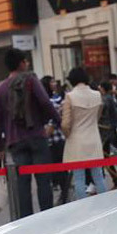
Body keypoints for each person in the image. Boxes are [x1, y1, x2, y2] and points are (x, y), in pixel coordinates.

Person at [0, 47, 61, 216]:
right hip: (37, 136)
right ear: (22, 63)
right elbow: (45, 103)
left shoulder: (0, 89)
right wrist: (58, 121)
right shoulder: (31, 81)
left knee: (22, 183)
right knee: (44, 181)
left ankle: (26, 220)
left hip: (15, 142)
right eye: (26, 61)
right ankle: (47, 216)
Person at [62, 67, 108, 200]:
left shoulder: (70, 96)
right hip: (94, 138)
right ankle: (106, 204)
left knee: (79, 179)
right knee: (98, 177)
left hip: (76, 141)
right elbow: (97, 117)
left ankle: (82, 208)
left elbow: (66, 124)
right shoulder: (97, 95)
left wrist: (67, 134)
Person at [41, 75, 69, 204]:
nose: (54, 83)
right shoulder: (48, 100)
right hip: (54, 138)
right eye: (51, 81)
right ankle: (63, 194)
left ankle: (64, 195)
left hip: (56, 137)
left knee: (60, 169)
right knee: (57, 169)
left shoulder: (56, 98)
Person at [97, 79, 117, 154]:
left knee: (105, 146)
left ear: (103, 89)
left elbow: (103, 111)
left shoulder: (105, 99)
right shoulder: (110, 98)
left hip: (105, 126)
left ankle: (109, 164)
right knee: (107, 146)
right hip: (110, 125)